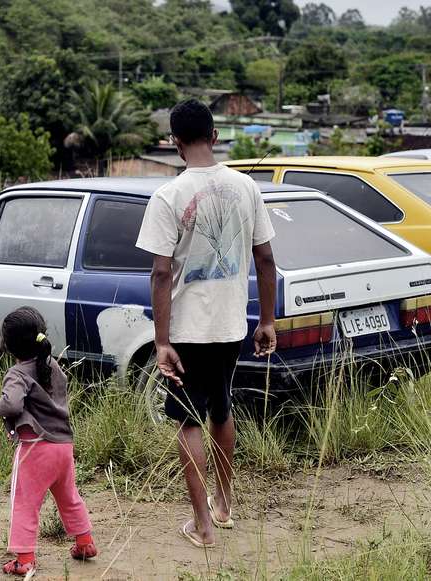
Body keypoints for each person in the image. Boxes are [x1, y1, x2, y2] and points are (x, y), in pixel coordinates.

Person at [135, 99, 277, 548]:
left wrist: (161, 342)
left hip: (188, 331)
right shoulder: (246, 187)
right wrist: (267, 320)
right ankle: (224, 505)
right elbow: (266, 258)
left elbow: (160, 273)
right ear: (214, 136)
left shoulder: (168, 196)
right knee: (221, 408)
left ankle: (203, 526)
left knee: (188, 421)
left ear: (174, 142)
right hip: (232, 324)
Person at [0, 306, 96, 578]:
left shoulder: (17, 373)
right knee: (69, 496)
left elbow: (12, 404)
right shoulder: (53, 366)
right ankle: (85, 543)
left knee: (25, 502)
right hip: (63, 446)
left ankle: (25, 560)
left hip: (35, 448)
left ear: (8, 345)